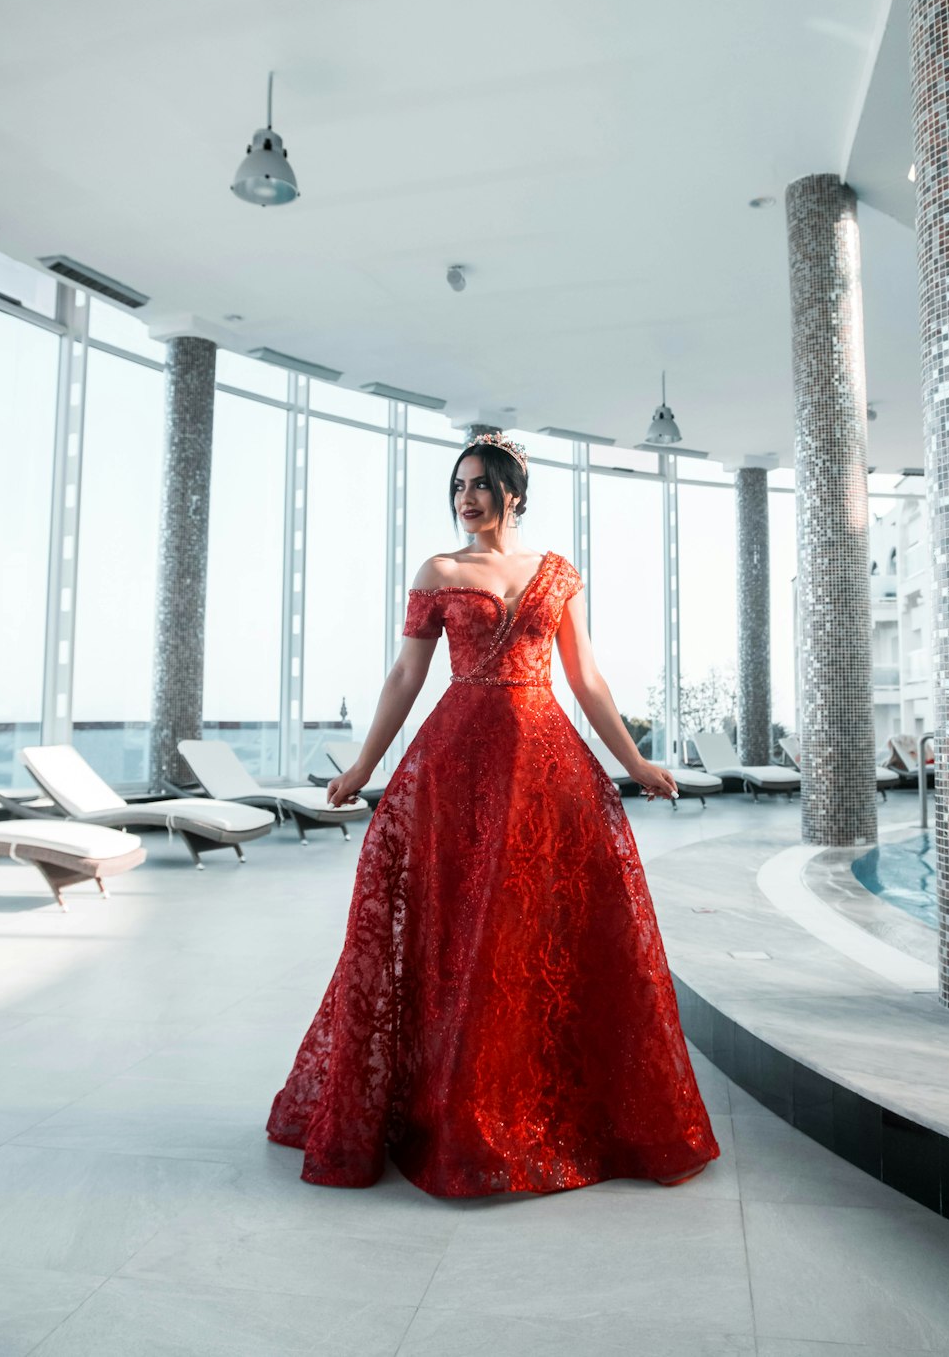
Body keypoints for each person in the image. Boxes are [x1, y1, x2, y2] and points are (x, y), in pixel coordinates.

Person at [266, 432, 720, 1196]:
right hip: (457, 764)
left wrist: (634, 762)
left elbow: (587, 678)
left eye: (480, 485)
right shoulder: (439, 571)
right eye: (458, 487)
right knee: (461, 927)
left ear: (514, 491)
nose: (466, 498)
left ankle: (539, 1101)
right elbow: (405, 677)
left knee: (540, 931)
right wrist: (365, 765)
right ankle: (451, 1108)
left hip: (547, 766)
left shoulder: (558, 574)